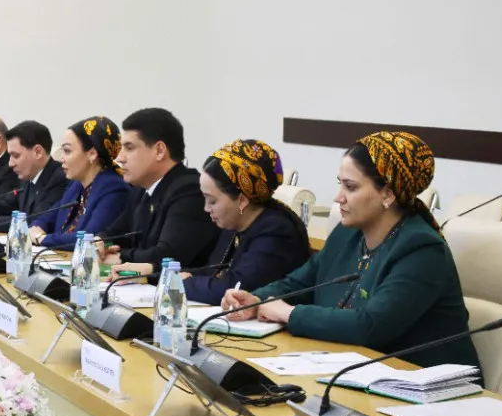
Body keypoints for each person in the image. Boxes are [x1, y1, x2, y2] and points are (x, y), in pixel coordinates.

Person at [222, 131, 476, 369]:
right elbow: (299, 283)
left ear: (387, 194)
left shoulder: (422, 250)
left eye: (350, 187)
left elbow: (371, 326)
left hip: (422, 382)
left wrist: (289, 313)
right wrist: (256, 300)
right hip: (352, 368)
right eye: (340, 185)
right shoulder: (347, 234)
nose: (338, 197)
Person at [177, 140, 312, 305]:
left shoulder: (277, 232)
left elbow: (235, 289)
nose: (206, 208)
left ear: (242, 200)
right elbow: (211, 272)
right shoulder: (235, 221)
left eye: (212, 201)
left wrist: (183, 284)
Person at [105, 108, 217, 270]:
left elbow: (166, 257)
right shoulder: (140, 190)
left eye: (129, 148)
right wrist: (101, 244)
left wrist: (120, 256)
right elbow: (113, 233)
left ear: (159, 151)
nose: (120, 158)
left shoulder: (190, 191)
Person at [29, 116, 129, 252]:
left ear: (92, 154)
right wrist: (37, 228)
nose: (61, 159)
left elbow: (89, 239)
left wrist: (41, 238)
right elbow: (45, 218)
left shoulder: (114, 189)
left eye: (67, 151)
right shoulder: (76, 185)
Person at [0, 120, 69, 233]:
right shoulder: (27, 176)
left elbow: (36, 220)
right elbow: (4, 204)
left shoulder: (60, 178)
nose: (10, 163)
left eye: (15, 155)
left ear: (38, 152)